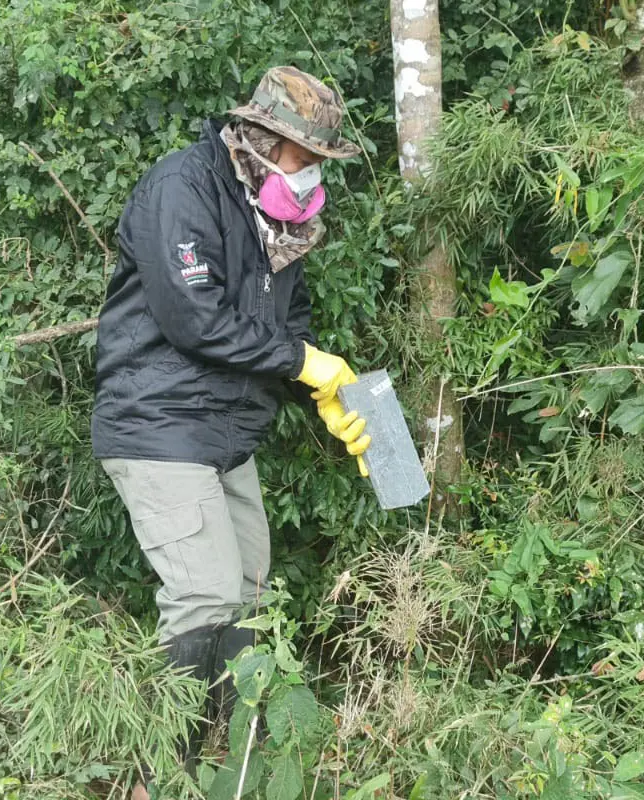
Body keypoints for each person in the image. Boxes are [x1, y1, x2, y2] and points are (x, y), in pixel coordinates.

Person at [90, 66, 371, 790]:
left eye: (318, 165)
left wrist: (327, 395)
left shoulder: (278, 219)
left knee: (249, 591)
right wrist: (304, 362)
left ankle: (227, 763)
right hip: (158, 420)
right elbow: (194, 321)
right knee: (205, 595)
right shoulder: (181, 190)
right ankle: (165, 775)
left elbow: (291, 322)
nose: (309, 177)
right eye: (302, 159)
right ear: (259, 137)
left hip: (226, 431)